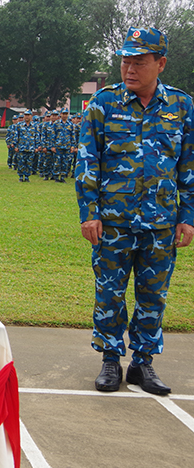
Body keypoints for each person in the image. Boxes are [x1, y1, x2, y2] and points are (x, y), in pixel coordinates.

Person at [76, 26, 194, 396]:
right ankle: (111, 360)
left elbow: (188, 167)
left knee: (153, 295)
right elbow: (87, 163)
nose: (129, 69)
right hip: (113, 221)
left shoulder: (181, 106)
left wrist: (188, 215)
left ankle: (143, 363)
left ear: (160, 63)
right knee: (109, 292)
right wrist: (89, 211)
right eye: (125, 61)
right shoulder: (103, 104)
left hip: (160, 223)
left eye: (139, 62)